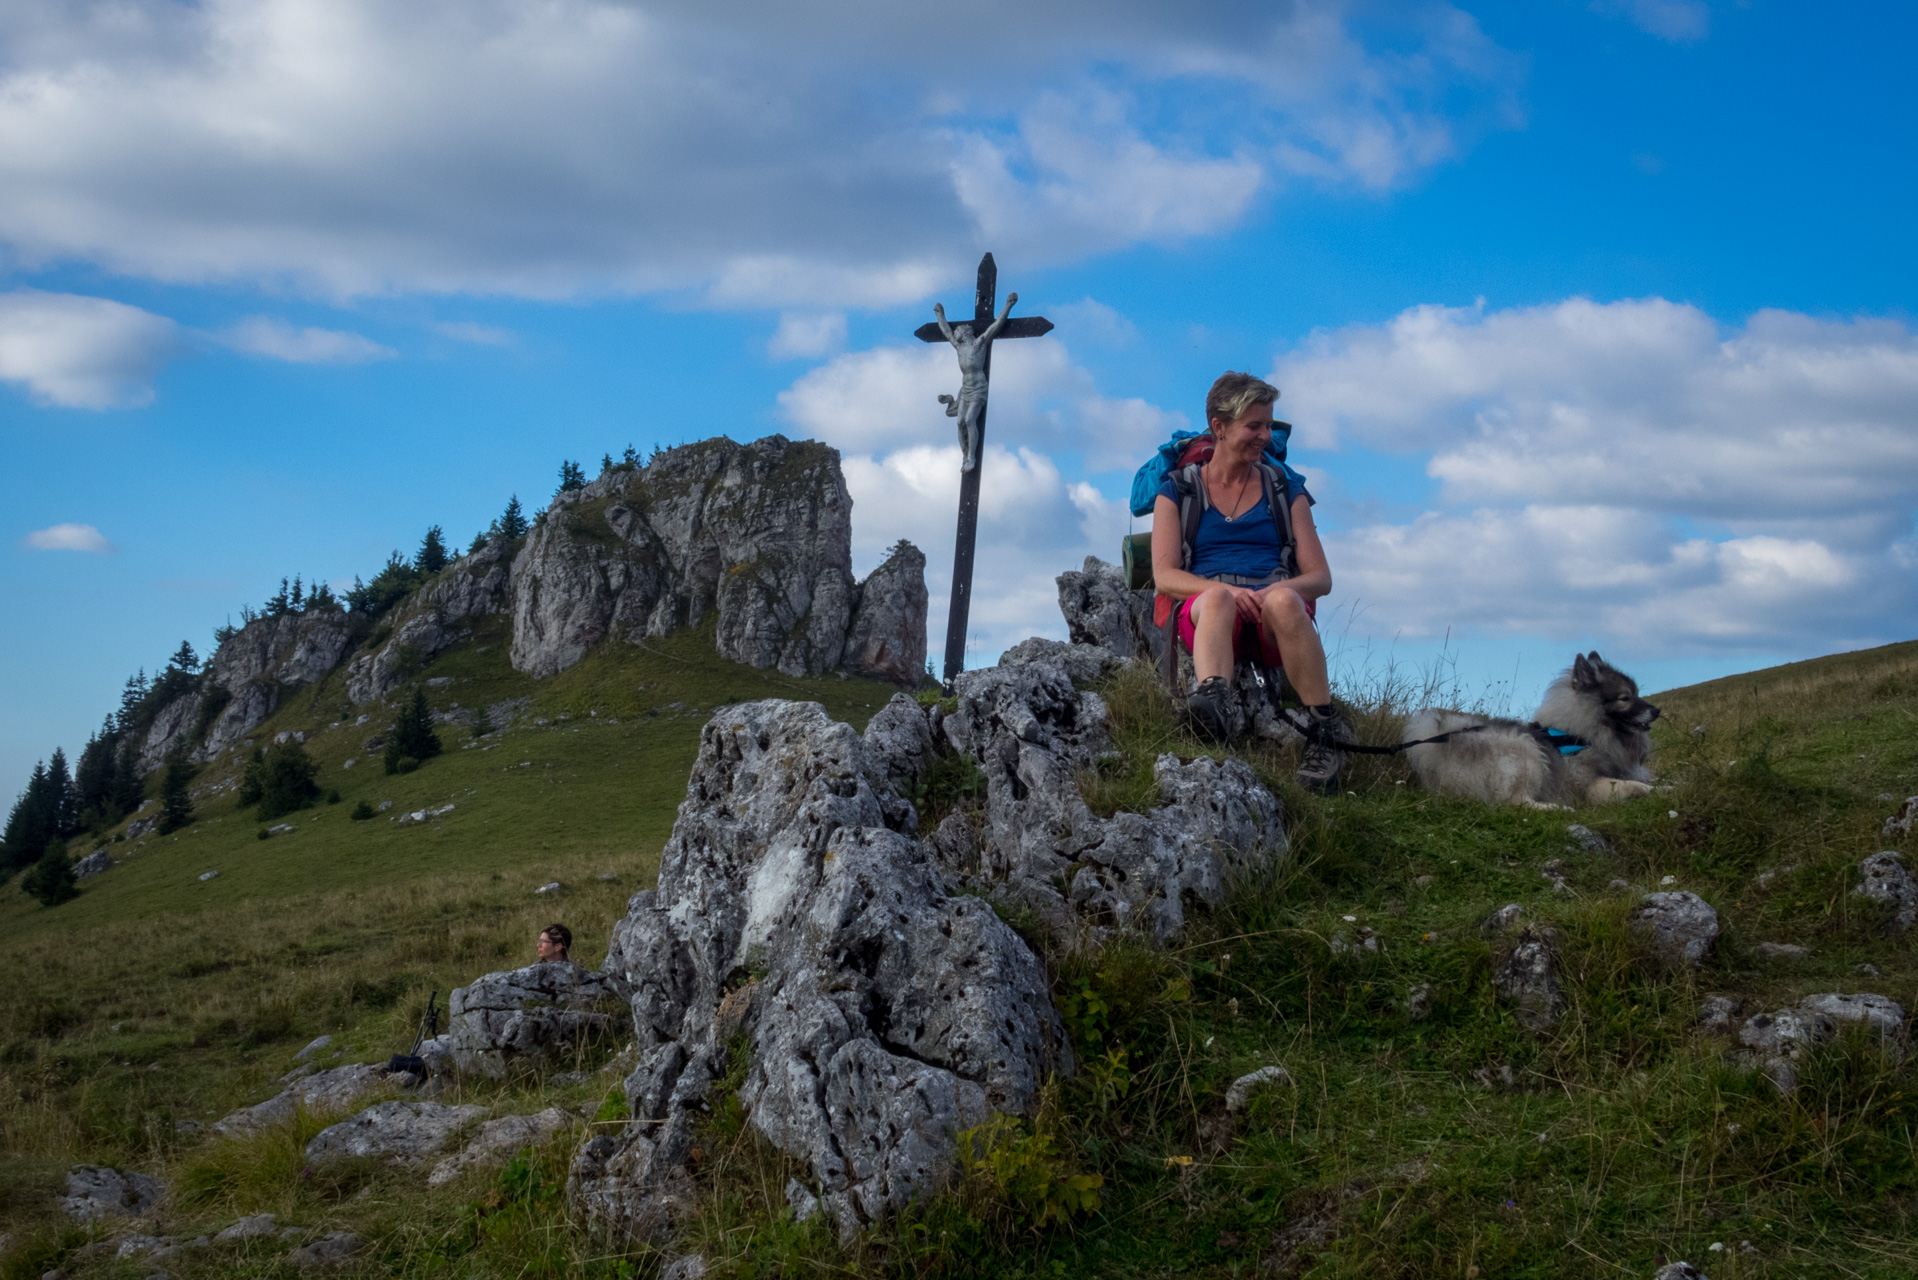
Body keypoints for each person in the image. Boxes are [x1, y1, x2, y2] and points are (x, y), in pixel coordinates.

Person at [1150, 372, 1350, 792]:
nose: (1264, 436)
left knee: (1282, 602)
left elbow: (1320, 577)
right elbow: (1164, 575)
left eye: (1268, 425)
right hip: (1210, 614)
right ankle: (1213, 708)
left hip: (1276, 618)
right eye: (1254, 426)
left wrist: (1272, 592)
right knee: (1219, 596)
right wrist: (1225, 590)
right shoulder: (1178, 491)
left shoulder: (1285, 489)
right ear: (1219, 427)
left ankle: (1324, 733)